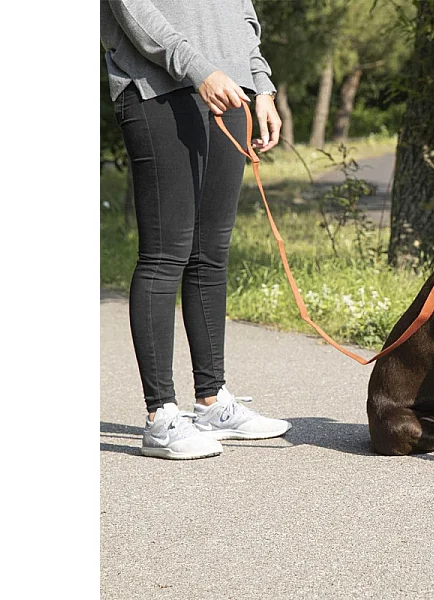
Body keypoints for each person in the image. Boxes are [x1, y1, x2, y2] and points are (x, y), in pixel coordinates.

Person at [101, 0, 290, 459]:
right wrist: (197, 69)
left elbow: (241, 14)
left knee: (210, 252)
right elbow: (132, 8)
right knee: (166, 252)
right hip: (158, 86)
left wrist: (261, 86)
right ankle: (160, 416)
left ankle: (211, 402)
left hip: (232, 91)